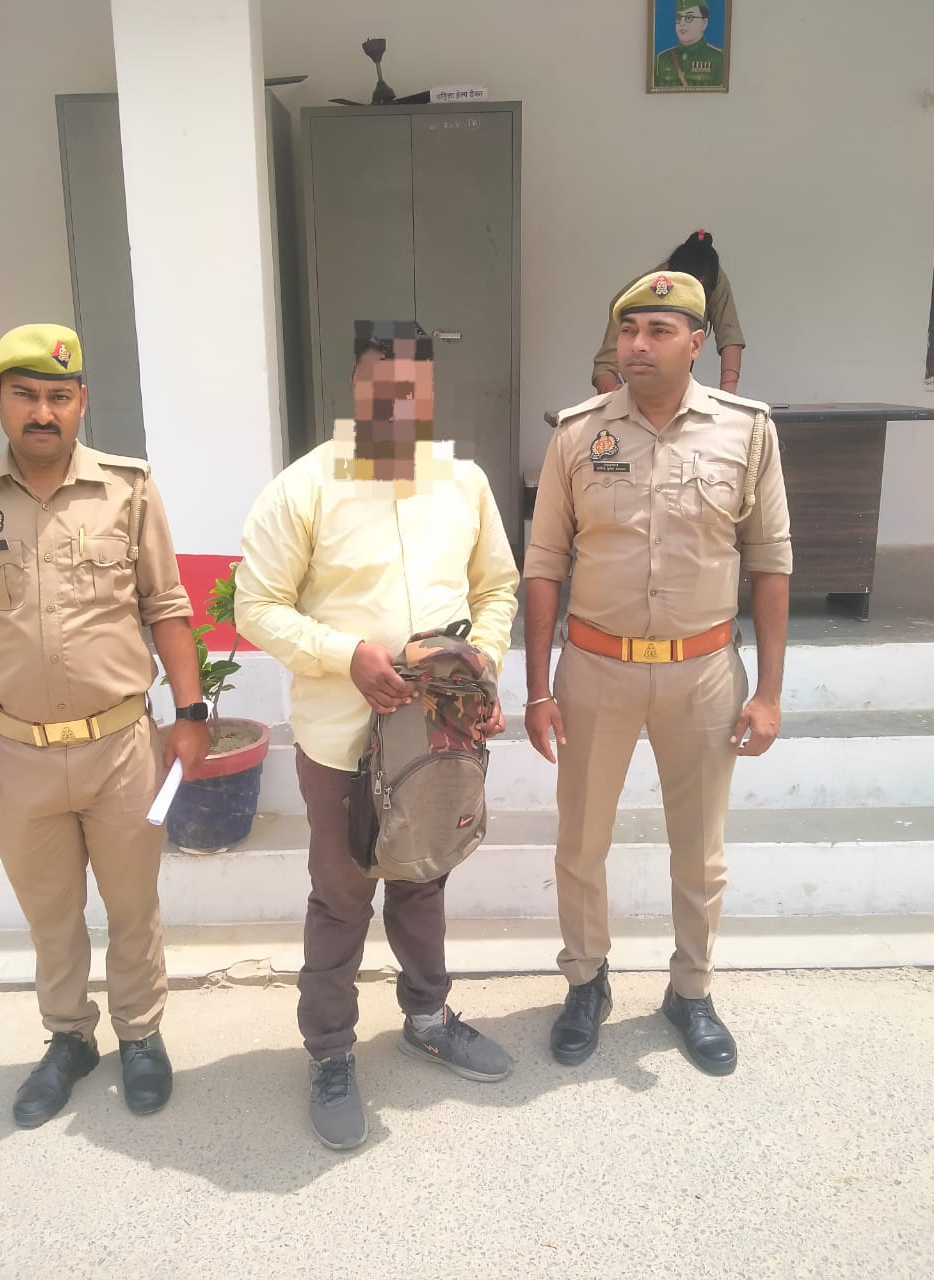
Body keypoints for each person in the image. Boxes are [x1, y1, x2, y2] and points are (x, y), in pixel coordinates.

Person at [234, 321, 519, 1151]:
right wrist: (344, 655)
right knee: (343, 894)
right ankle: (330, 1052)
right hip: (342, 742)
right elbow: (257, 608)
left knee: (423, 878)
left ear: (430, 393)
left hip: (438, 733)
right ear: (356, 387)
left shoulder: (463, 483)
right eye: (379, 384)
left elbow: (496, 588)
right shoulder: (302, 489)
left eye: (412, 387)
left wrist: (481, 667)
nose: (396, 402)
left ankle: (428, 1018)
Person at [524, 272, 791, 1075]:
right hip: (595, 670)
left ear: (697, 343)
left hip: (702, 672)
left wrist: (769, 692)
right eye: (628, 329)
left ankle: (691, 990)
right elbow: (544, 563)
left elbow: (770, 561)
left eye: (658, 331)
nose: (637, 345)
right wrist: (537, 689)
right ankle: (586, 982)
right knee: (580, 843)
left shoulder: (747, 433)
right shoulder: (577, 433)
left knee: (700, 851)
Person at [0, 324, 210, 1127]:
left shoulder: (127, 490)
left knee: (133, 904)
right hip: (20, 754)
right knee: (50, 914)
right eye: (26, 395)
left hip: (121, 749)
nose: (43, 412)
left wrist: (191, 715)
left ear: (82, 403)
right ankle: (69, 1036)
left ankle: (140, 1033)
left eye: (59, 396)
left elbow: (167, 607)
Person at [593, 230, 744, 394]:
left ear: (695, 343)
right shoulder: (644, 292)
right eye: (659, 331)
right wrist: (615, 396)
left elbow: (730, 335)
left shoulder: (711, 277)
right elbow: (605, 366)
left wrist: (727, 398)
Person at [653, 2, 725, 90]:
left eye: (689, 18)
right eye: (678, 18)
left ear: (704, 23)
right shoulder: (661, 60)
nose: (682, 23)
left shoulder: (719, 59)